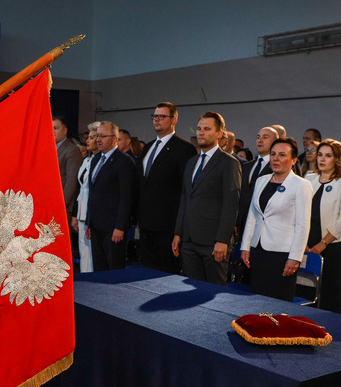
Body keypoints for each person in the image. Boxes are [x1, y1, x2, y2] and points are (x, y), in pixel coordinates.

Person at [172, 112, 242, 285]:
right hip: (188, 241)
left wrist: (222, 240)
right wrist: (178, 233)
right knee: (190, 289)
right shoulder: (191, 163)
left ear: (219, 133)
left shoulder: (229, 163)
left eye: (207, 129)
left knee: (214, 292)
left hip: (213, 242)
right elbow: (185, 199)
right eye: (199, 128)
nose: (201, 133)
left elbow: (231, 204)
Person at [241, 137, 313, 301]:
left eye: (282, 155)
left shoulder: (301, 185)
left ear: (293, 160)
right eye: (273, 154)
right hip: (258, 250)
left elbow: (303, 225)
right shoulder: (261, 180)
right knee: (256, 299)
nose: (275, 158)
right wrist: (246, 246)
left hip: (282, 254)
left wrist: (295, 257)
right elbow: (253, 216)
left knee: (278, 303)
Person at [138, 102, 196, 273]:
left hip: (168, 225)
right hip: (146, 223)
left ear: (174, 120)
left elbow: (185, 190)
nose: (157, 120)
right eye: (155, 116)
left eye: (162, 116)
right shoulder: (147, 147)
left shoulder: (184, 149)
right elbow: (142, 185)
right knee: (146, 271)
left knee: (165, 274)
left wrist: (179, 228)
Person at [305, 139, 341, 315]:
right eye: (320, 155)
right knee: (307, 288)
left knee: (331, 291)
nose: (322, 159)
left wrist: (323, 243)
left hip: (333, 245)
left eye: (328, 156)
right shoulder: (309, 178)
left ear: (337, 159)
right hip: (309, 243)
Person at [86, 121, 137, 271]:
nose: (98, 140)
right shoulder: (96, 160)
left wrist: (120, 226)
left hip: (113, 227)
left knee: (114, 269)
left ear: (114, 139)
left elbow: (127, 197)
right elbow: (92, 193)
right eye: (97, 136)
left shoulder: (124, 161)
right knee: (98, 268)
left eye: (103, 136)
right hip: (96, 226)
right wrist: (89, 222)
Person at [237, 126, 277, 236]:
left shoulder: (277, 168)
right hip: (243, 226)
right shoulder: (247, 166)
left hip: (266, 227)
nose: (260, 140)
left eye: (265, 137)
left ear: (275, 141)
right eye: (258, 137)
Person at [72, 122, 100, 272]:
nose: (87, 140)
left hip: (94, 212)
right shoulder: (86, 160)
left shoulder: (101, 162)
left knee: (93, 252)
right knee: (83, 250)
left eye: (92, 137)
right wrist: (75, 214)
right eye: (88, 137)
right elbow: (79, 189)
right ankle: (85, 276)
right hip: (81, 211)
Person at [54, 116, 82, 226]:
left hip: (62, 207)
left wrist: (61, 205)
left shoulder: (72, 150)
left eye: (56, 128)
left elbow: (71, 181)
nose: (52, 131)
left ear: (65, 130)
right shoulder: (47, 148)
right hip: (48, 204)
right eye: (50, 128)